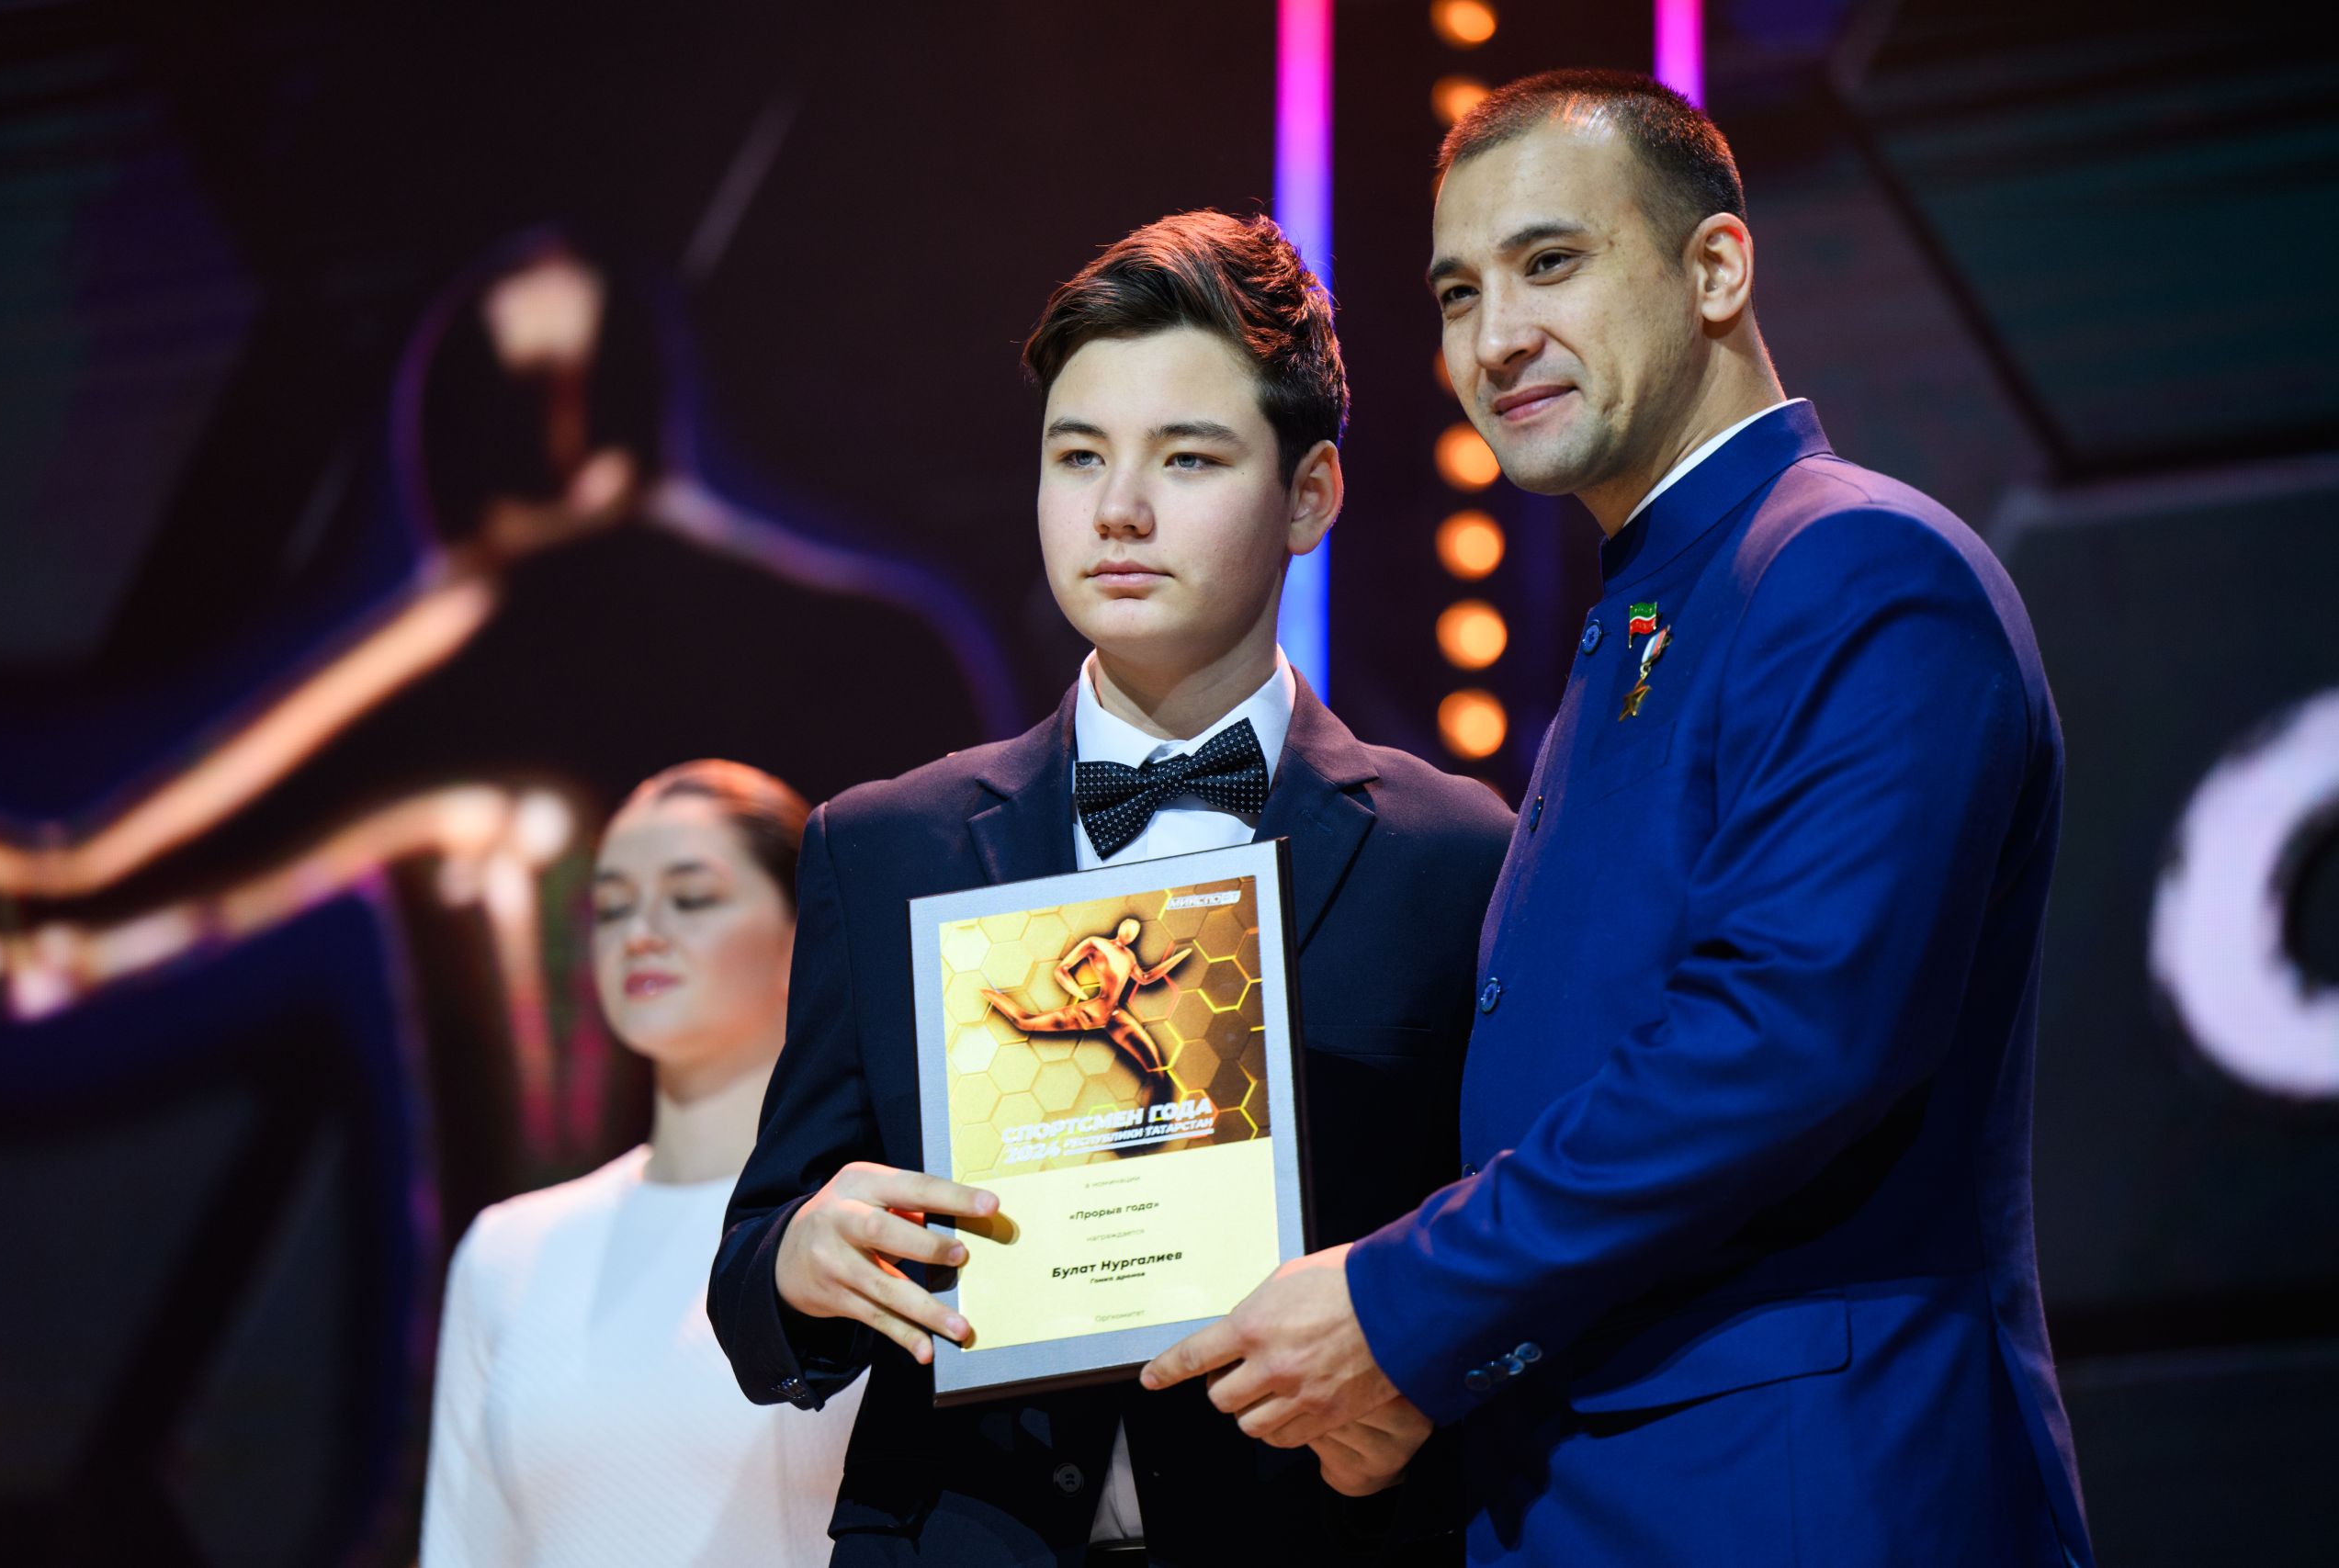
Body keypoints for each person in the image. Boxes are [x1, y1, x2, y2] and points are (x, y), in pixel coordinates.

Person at [1142, 71, 2096, 1567]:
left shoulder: (1858, 567)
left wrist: (1398, 1306)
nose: (1495, 339)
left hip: (1809, 1502)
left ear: (1715, 267)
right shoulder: (1662, 607)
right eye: (1459, 294)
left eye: (1551, 263)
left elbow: (1781, 1040)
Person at [706, 210, 1514, 1564]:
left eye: (1187, 458)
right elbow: (751, 1285)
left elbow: (1516, 1239)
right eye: (1077, 455)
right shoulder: (887, 846)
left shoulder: (1452, 854)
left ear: (1310, 494)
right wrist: (803, 1255)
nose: (1118, 509)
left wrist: (1425, 1378)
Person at [423, 760, 863, 1567]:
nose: (641, 933)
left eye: (691, 898)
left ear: (803, 931)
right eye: (613, 906)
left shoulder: (865, 1223)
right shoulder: (508, 1252)